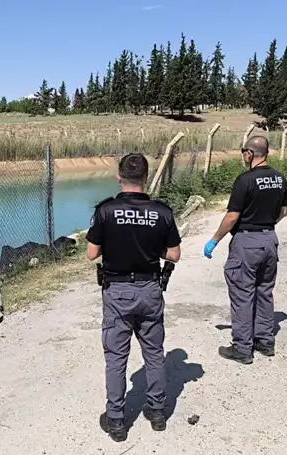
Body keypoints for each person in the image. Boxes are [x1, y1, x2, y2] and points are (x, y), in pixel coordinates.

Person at [86, 153, 182, 442]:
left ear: (119, 177)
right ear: (145, 178)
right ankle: (157, 413)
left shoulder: (105, 210)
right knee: (153, 353)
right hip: (150, 289)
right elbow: (174, 254)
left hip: (117, 292)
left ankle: (116, 420)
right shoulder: (161, 212)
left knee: (116, 357)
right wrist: (154, 249)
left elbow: (92, 253)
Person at [203, 135, 287, 365]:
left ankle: (242, 348)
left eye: (244, 152)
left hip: (246, 242)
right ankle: (265, 341)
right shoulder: (280, 178)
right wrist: (266, 225)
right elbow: (283, 212)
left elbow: (232, 216)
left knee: (242, 295)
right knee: (264, 291)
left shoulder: (245, 180)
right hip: (270, 240)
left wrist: (214, 240)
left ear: (249, 153)